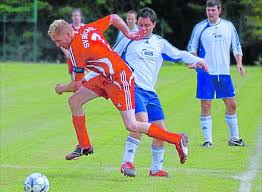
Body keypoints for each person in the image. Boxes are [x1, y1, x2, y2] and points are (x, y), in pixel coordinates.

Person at [48, 14, 196, 164]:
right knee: (75, 101)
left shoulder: (76, 50)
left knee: (132, 124)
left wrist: (60, 88)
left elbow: (76, 85)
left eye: (58, 41)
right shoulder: (89, 28)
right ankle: (84, 145)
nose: (58, 45)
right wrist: (128, 33)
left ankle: (177, 139)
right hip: (104, 77)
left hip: (120, 79)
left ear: (67, 34)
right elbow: (113, 18)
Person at [111, 7, 208, 177]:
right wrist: (88, 77)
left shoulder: (159, 43)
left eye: (146, 25)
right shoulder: (128, 39)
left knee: (160, 131)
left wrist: (198, 60)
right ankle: (127, 162)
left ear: (154, 25)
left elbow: (179, 54)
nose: (142, 29)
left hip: (150, 92)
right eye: (140, 25)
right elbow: (108, 57)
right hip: (132, 87)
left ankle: (155, 169)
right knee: (140, 120)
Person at [187, 0, 245, 147]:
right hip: (205, 73)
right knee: (206, 105)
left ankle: (234, 138)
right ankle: (208, 141)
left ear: (219, 10)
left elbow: (236, 46)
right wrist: (194, 61)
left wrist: (239, 64)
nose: (210, 13)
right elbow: (192, 47)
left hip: (224, 73)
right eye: (208, 10)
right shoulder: (199, 27)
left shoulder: (228, 26)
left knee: (232, 104)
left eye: (213, 10)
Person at [61, 8, 85, 74]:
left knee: (83, 79)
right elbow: (60, 41)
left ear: (81, 17)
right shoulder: (68, 28)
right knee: (74, 78)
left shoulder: (85, 28)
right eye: (74, 16)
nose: (76, 17)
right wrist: (66, 52)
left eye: (77, 15)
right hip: (71, 57)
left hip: (83, 57)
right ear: (72, 17)